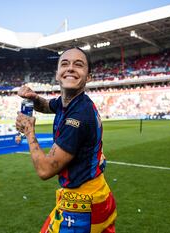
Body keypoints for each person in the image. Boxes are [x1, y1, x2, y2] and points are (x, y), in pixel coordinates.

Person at [16, 47, 117, 232]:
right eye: (65, 63)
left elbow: (45, 170)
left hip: (84, 203)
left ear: (88, 77)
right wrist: (34, 97)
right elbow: (47, 105)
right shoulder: (68, 102)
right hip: (94, 194)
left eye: (78, 65)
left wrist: (29, 131)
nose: (70, 68)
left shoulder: (78, 116)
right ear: (57, 74)